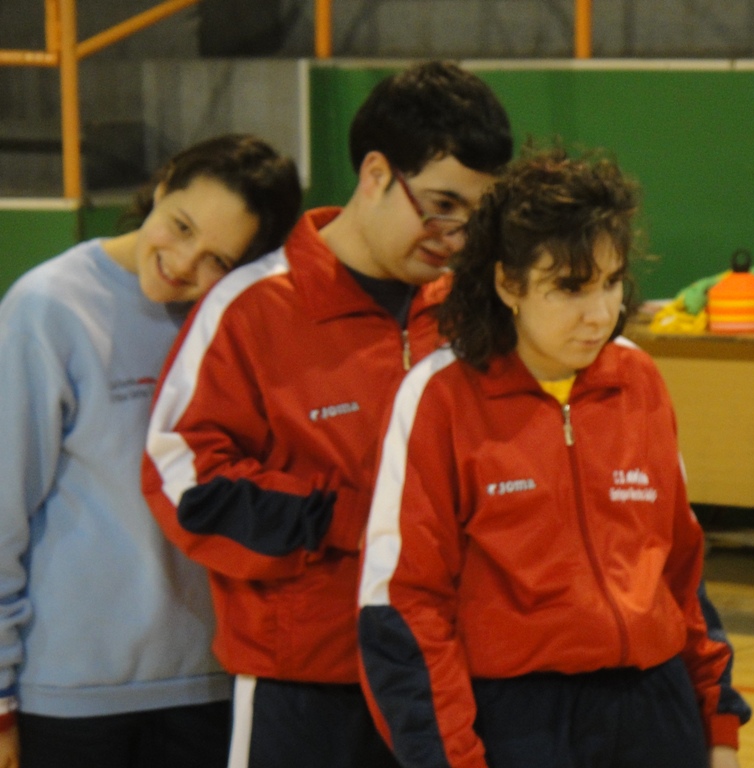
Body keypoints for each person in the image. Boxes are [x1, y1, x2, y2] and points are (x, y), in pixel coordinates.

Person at [140, 61, 514, 768]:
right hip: (303, 690)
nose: (457, 237)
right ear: (375, 173)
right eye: (440, 205)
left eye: (477, 216)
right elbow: (182, 479)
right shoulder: (251, 310)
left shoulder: (474, 314)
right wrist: (348, 521)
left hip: (446, 683)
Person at [358, 147, 749, 768]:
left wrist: (718, 725)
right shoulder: (440, 398)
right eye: (569, 288)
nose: (599, 314)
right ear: (509, 283)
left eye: (612, 283)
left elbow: (680, 572)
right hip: (521, 727)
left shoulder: (639, 379)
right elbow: (405, 607)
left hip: (657, 713)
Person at [0, 133, 302, 768]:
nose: (184, 262)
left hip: (205, 688)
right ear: (161, 186)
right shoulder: (46, 308)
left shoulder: (233, 327)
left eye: (217, 257)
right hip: (68, 700)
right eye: (180, 224)